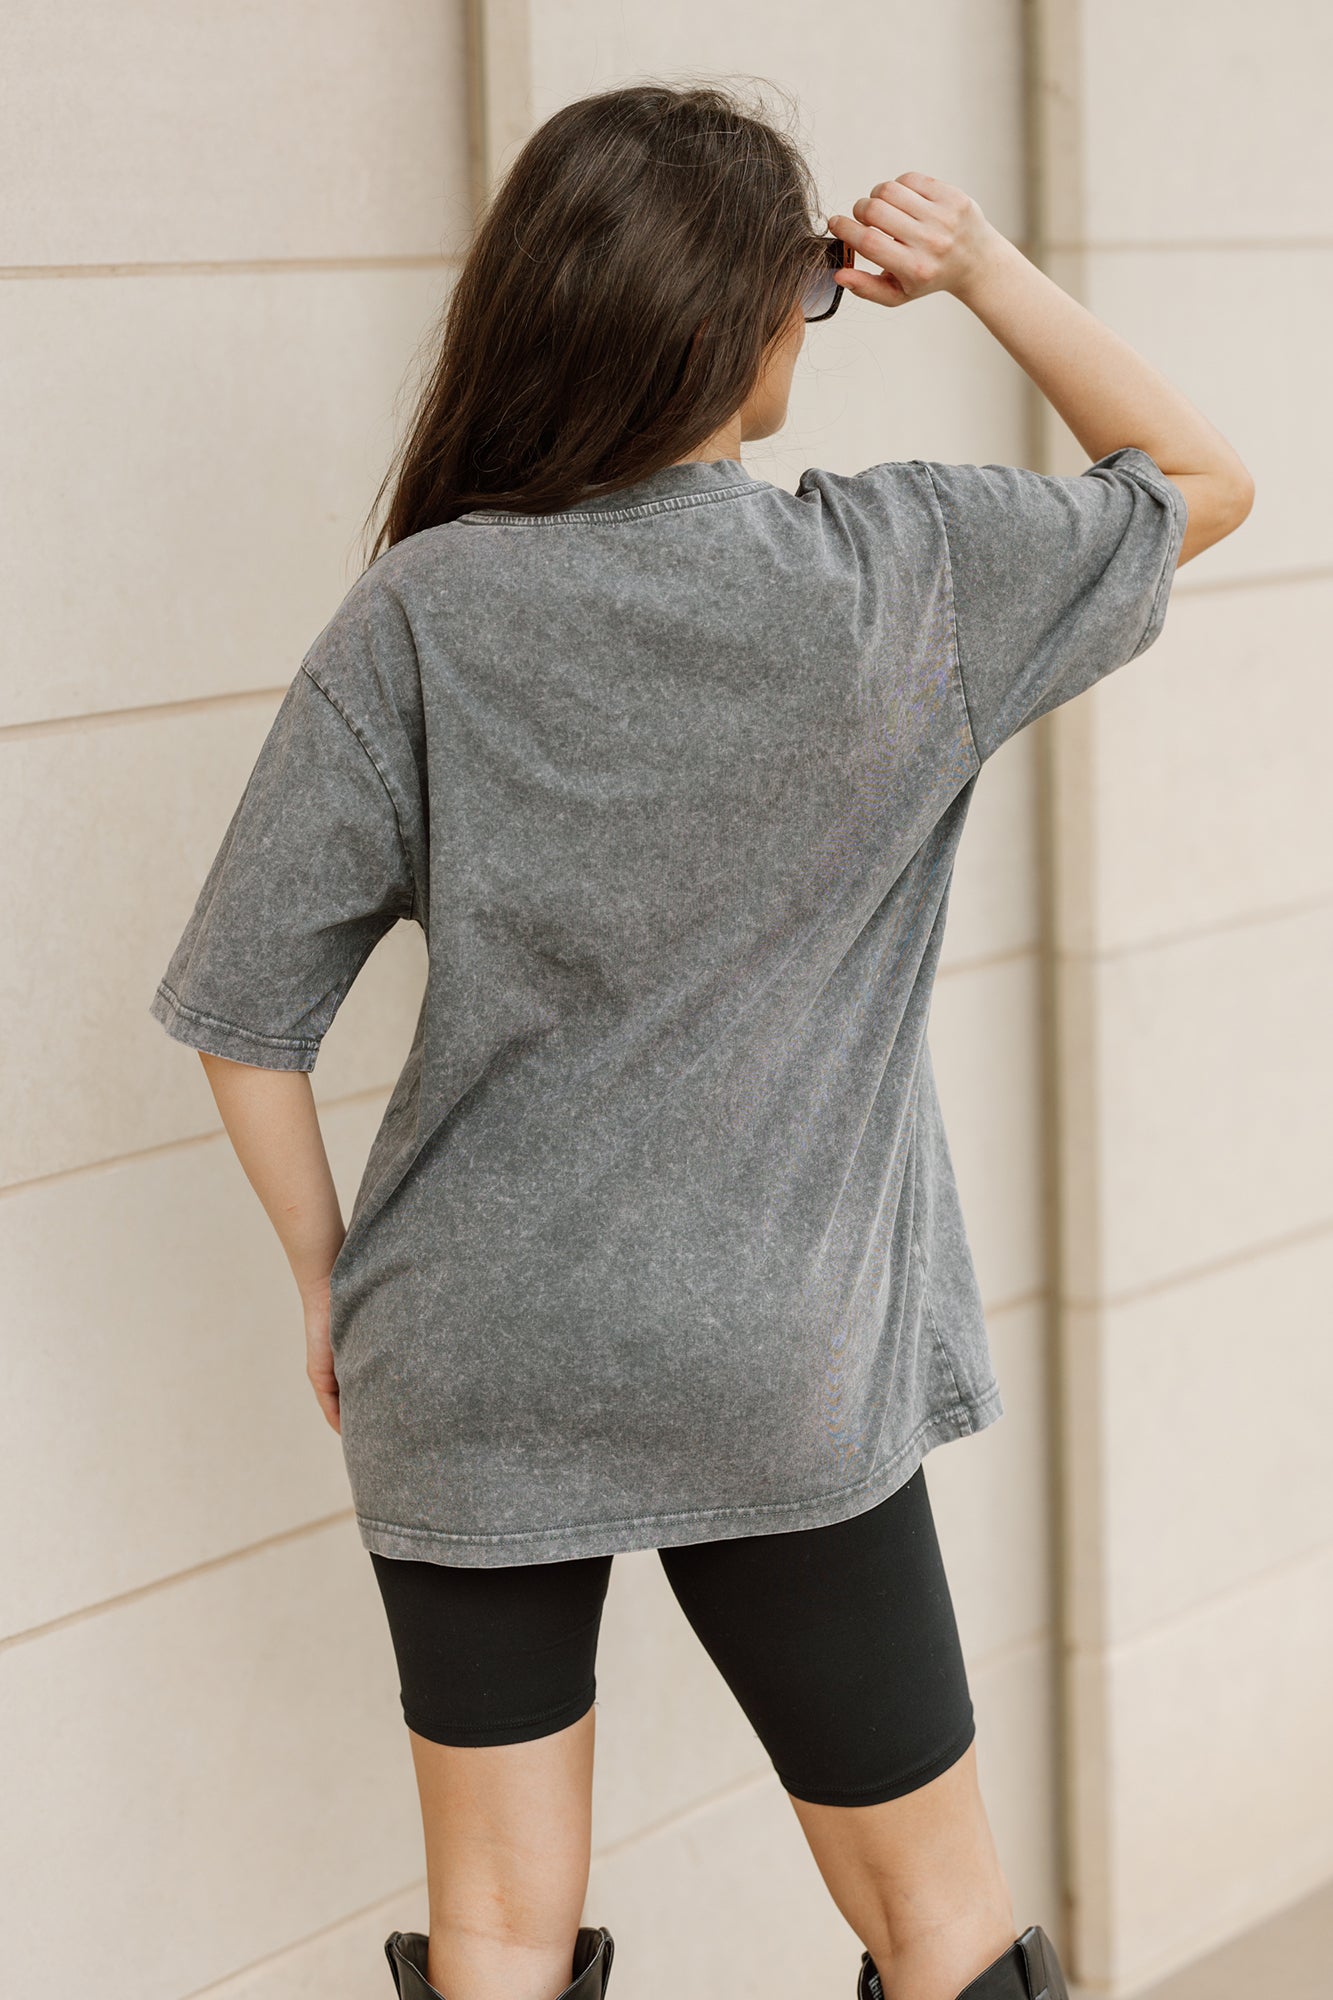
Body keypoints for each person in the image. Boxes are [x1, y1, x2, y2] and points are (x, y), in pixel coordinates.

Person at [147, 80, 1252, 2000]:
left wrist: (329, 1281)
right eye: (799, 291)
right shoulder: (902, 577)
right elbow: (1197, 480)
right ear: (736, 317)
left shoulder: (422, 610)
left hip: (469, 1349)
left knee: (498, 1928)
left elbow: (244, 1014)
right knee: (934, 1919)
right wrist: (979, 268)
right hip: (778, 1357)